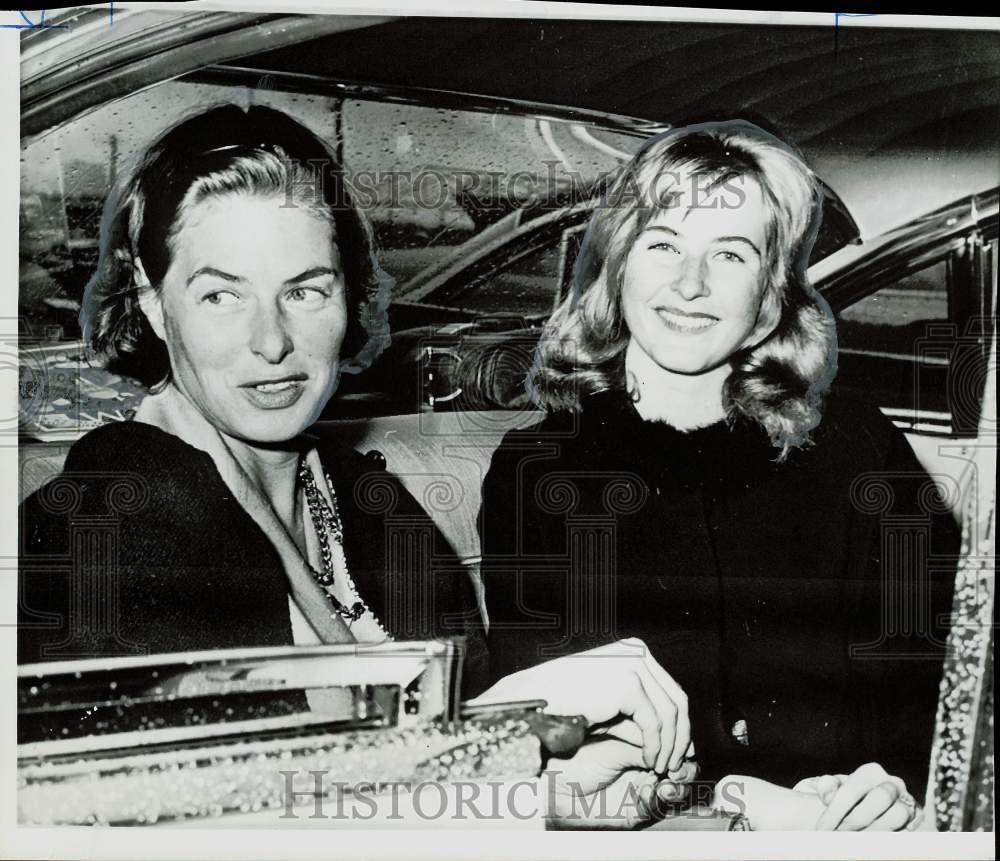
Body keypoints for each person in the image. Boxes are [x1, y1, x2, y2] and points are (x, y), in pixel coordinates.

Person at [17, 105, 692, 827]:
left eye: (306, 289)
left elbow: (400, 789)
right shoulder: (101, 521)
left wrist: (554, 788)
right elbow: (193, 821)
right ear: (154, 303)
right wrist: (507, 742)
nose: (272, 340)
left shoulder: (369, 502)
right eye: (221, 294)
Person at [479, 120, 960, 830]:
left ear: (770, 297)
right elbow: (564, 757)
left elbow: (943, 675)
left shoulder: (861, 448)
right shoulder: (539, 473)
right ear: (616, 265)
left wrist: (897, 787)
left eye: (729, 255)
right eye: (664, 244)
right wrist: (735, 800)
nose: (691, 284)